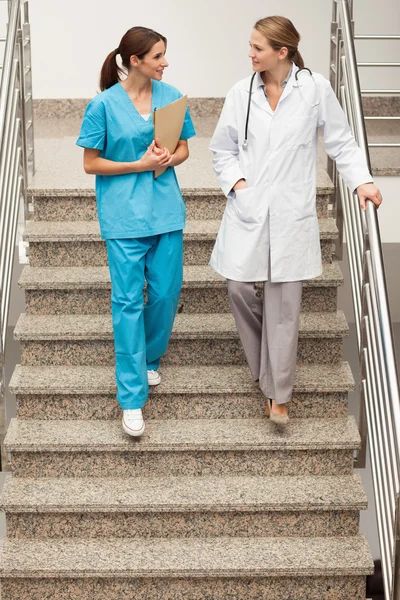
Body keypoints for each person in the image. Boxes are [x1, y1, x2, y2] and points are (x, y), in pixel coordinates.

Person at [209, 15, 382, 425]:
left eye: (257, 48)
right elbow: (222, 150)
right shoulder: (240, 92)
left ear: (282, 52)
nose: (249, 54)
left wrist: (362, 183)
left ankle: (278, 393)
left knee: (284, 305)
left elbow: (341, 141)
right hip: (249, 207)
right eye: (250, 46)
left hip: (291, 211)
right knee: (238, 288)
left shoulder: (314, 89)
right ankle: (266, 373)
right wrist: (240, 185)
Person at [76, 26, 196, 437]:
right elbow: (91, 163)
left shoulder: (172, 97)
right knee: (127, 302)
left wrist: (166, 160)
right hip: (123, 217)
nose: (165, 62)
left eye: (165, 54)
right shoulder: (103, 106)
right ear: (134, 61)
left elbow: (184, 148)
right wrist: (138, 166)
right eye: (158, 56)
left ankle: (149, 357)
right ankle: (131, 398)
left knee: (165, 293)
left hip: (165, 212)